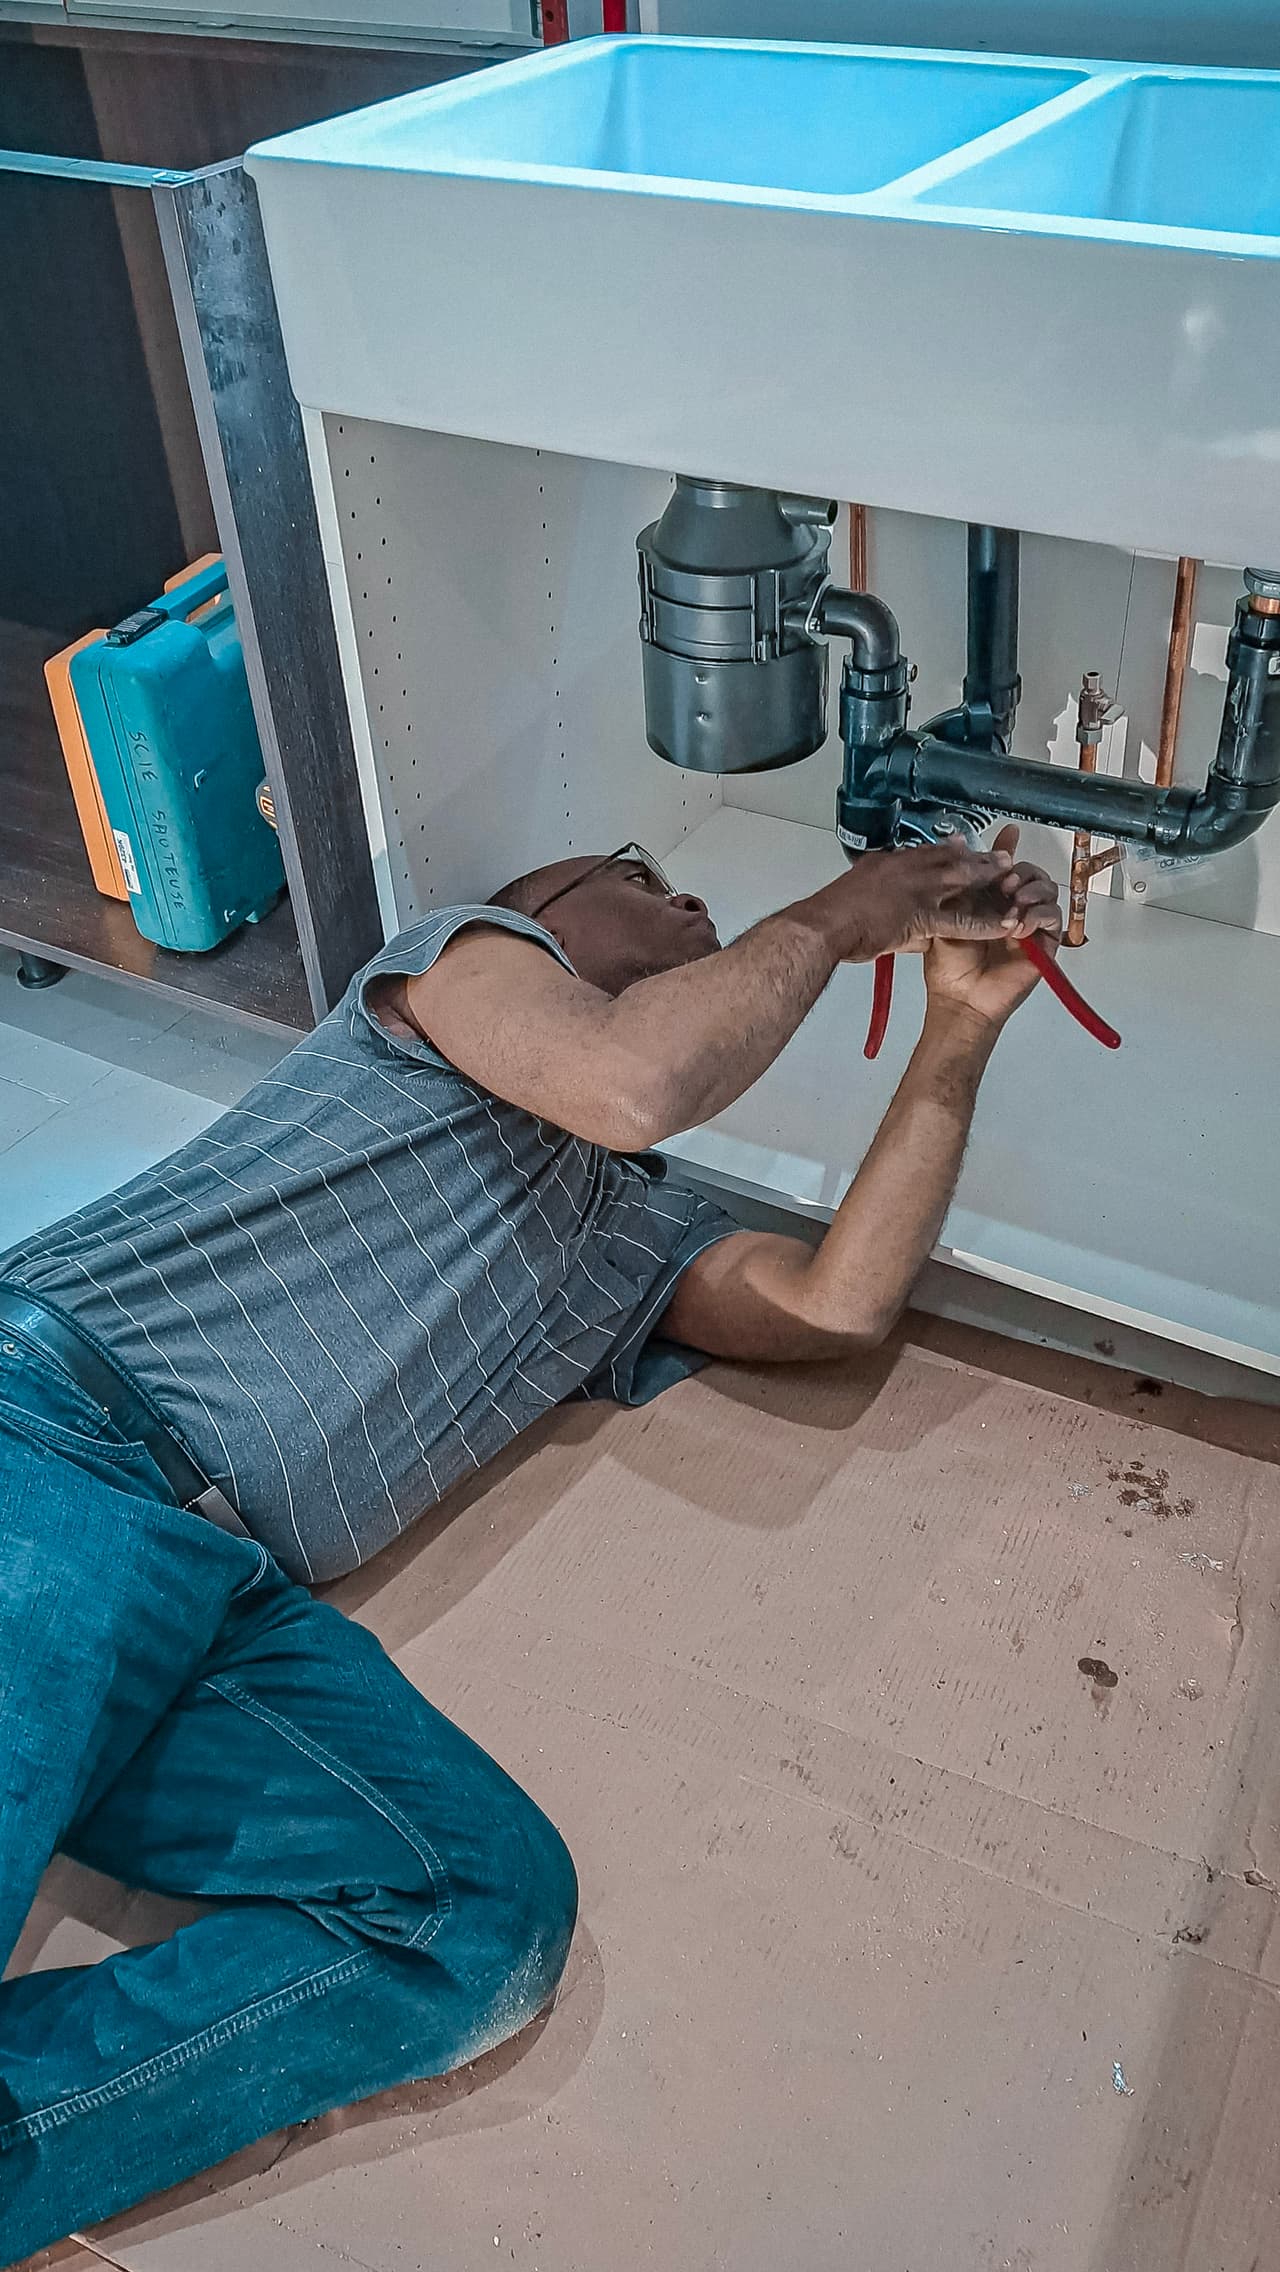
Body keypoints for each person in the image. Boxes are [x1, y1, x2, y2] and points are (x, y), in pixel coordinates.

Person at [0, 826, 1059, 2260]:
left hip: (216, 1597)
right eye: (636, 872)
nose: (687, 899)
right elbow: (633, 1080)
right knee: (69, 1589)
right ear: (536, 908)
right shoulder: (451, 972)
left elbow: (834, 1307)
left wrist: (958, 1028)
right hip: (47, 1437)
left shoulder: (626, 1239)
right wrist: (849, 906)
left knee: (479, 1914)